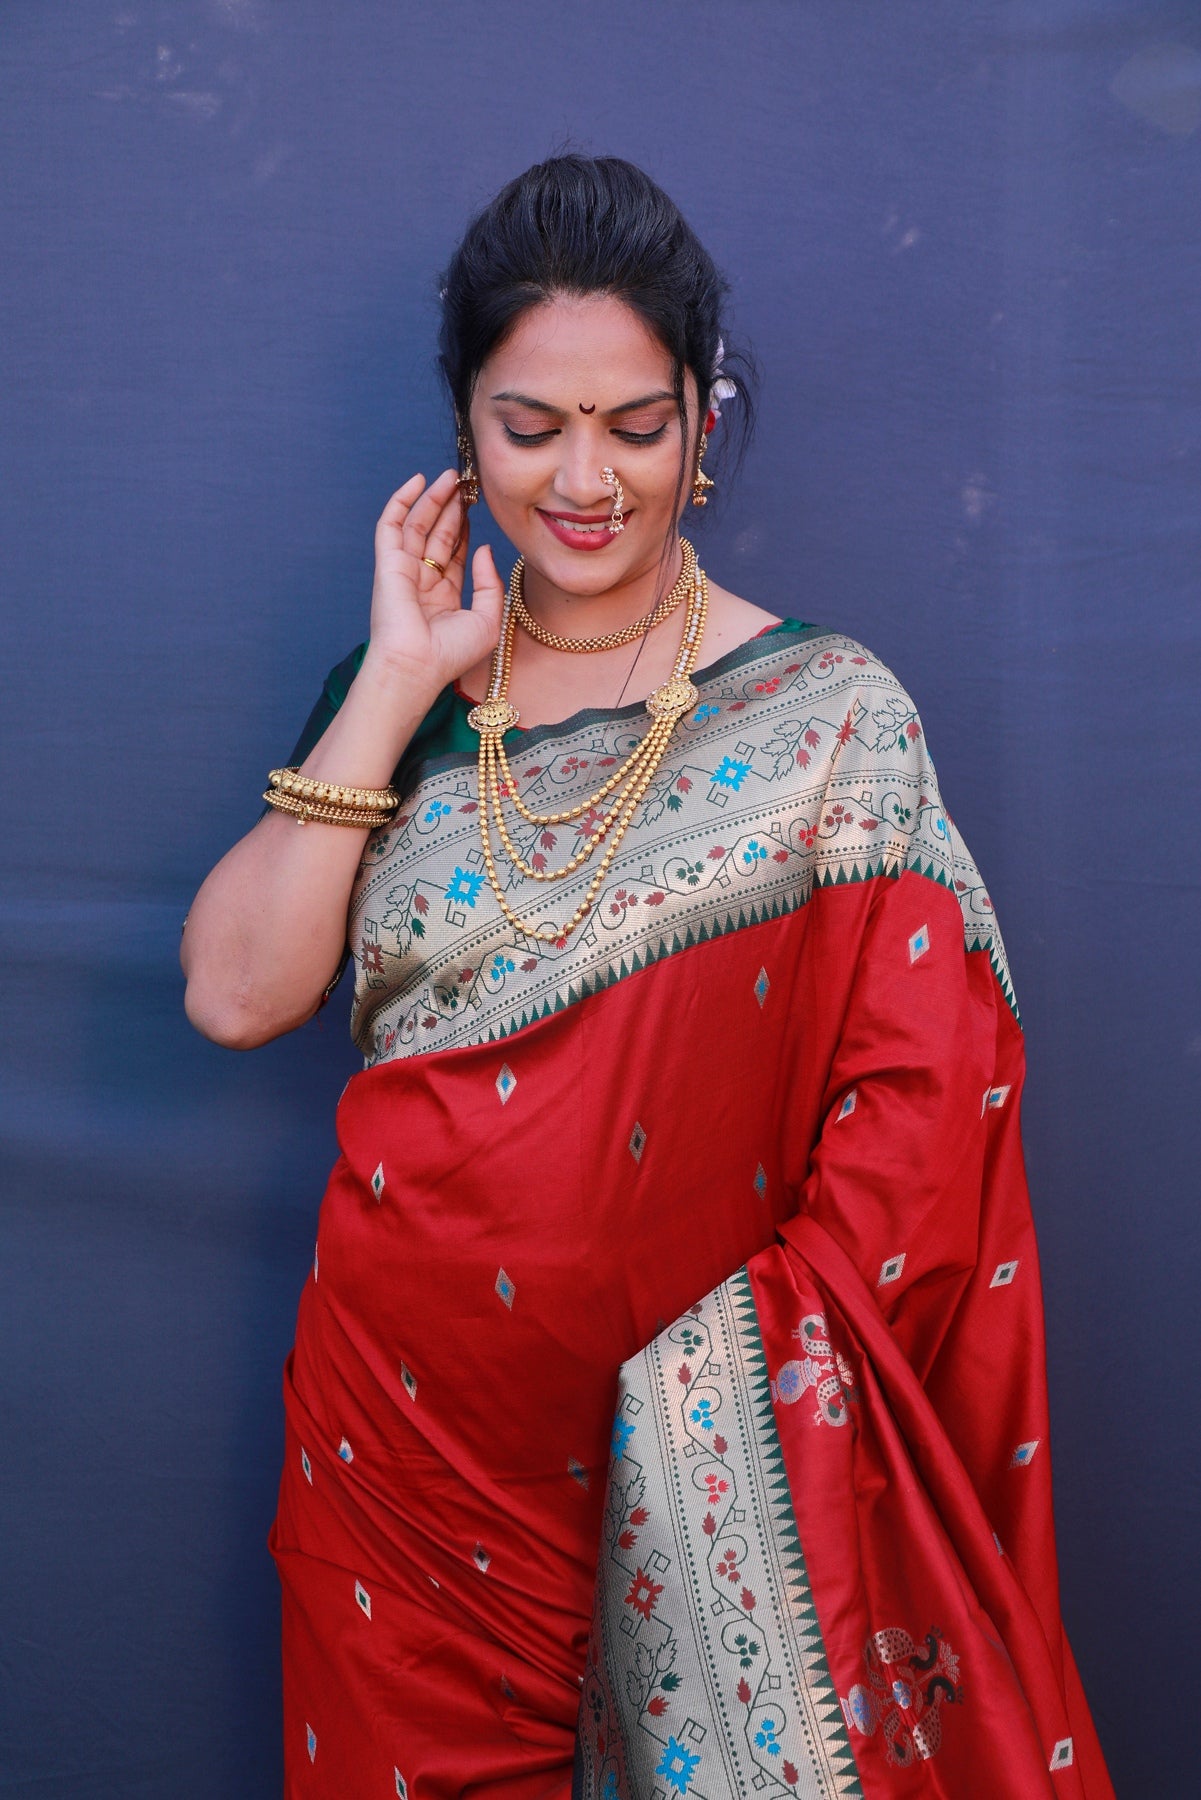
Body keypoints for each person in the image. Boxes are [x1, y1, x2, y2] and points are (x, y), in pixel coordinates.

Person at [182, 156, 1113, 1800]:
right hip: (402, 1465)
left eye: (634, 423)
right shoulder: (401, 702)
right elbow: (236, 996)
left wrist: (707, 1411)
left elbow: (918, 1136)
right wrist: (399, 675)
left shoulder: (829, 718)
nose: (584, 479)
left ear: (701, 418)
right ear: (465, 430)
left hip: (715, 1467)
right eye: (528, 426)